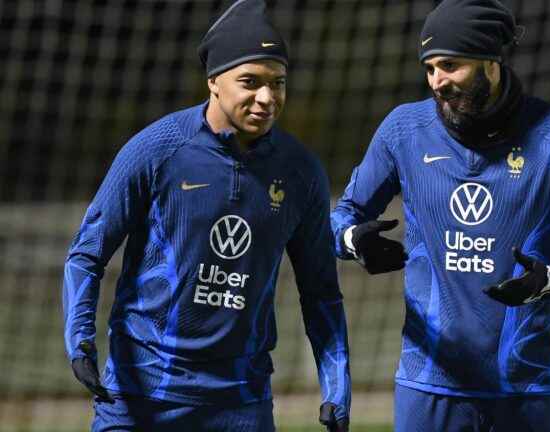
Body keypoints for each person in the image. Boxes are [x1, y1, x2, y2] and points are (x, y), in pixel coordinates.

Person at [61, 1, 350, 430]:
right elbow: (87, 253)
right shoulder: (157, 150)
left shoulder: (299, 171)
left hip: (240, 401)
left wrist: (337, 386)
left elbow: (321, 291)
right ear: (214, 81)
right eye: (250, 82)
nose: (267, 98)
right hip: (142, 394)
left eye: (278, 83)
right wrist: (80, 342)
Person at [331, 0, 550, 430]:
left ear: (491, 61)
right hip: (429, 387)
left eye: (449, 66)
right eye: (429, 69)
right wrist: (353, 240)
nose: (436, 82)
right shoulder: (403, 130)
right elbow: (343, 215)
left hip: (527, 386)